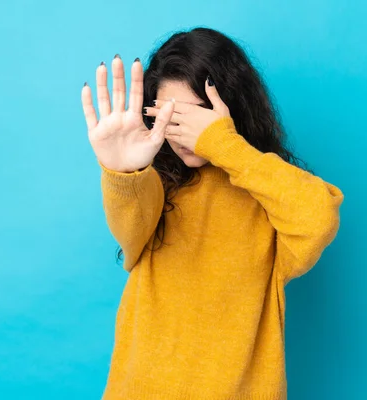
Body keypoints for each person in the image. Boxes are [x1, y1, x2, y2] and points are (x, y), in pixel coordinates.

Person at [81, 27, 344, 400]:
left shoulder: (267, 190)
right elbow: (130, 228)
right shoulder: (154, 183)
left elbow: (317, 217)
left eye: (194, 116)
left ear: (230, 106)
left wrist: (222, 143)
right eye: (168, 116)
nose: (182, 131)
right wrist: (122, 172)